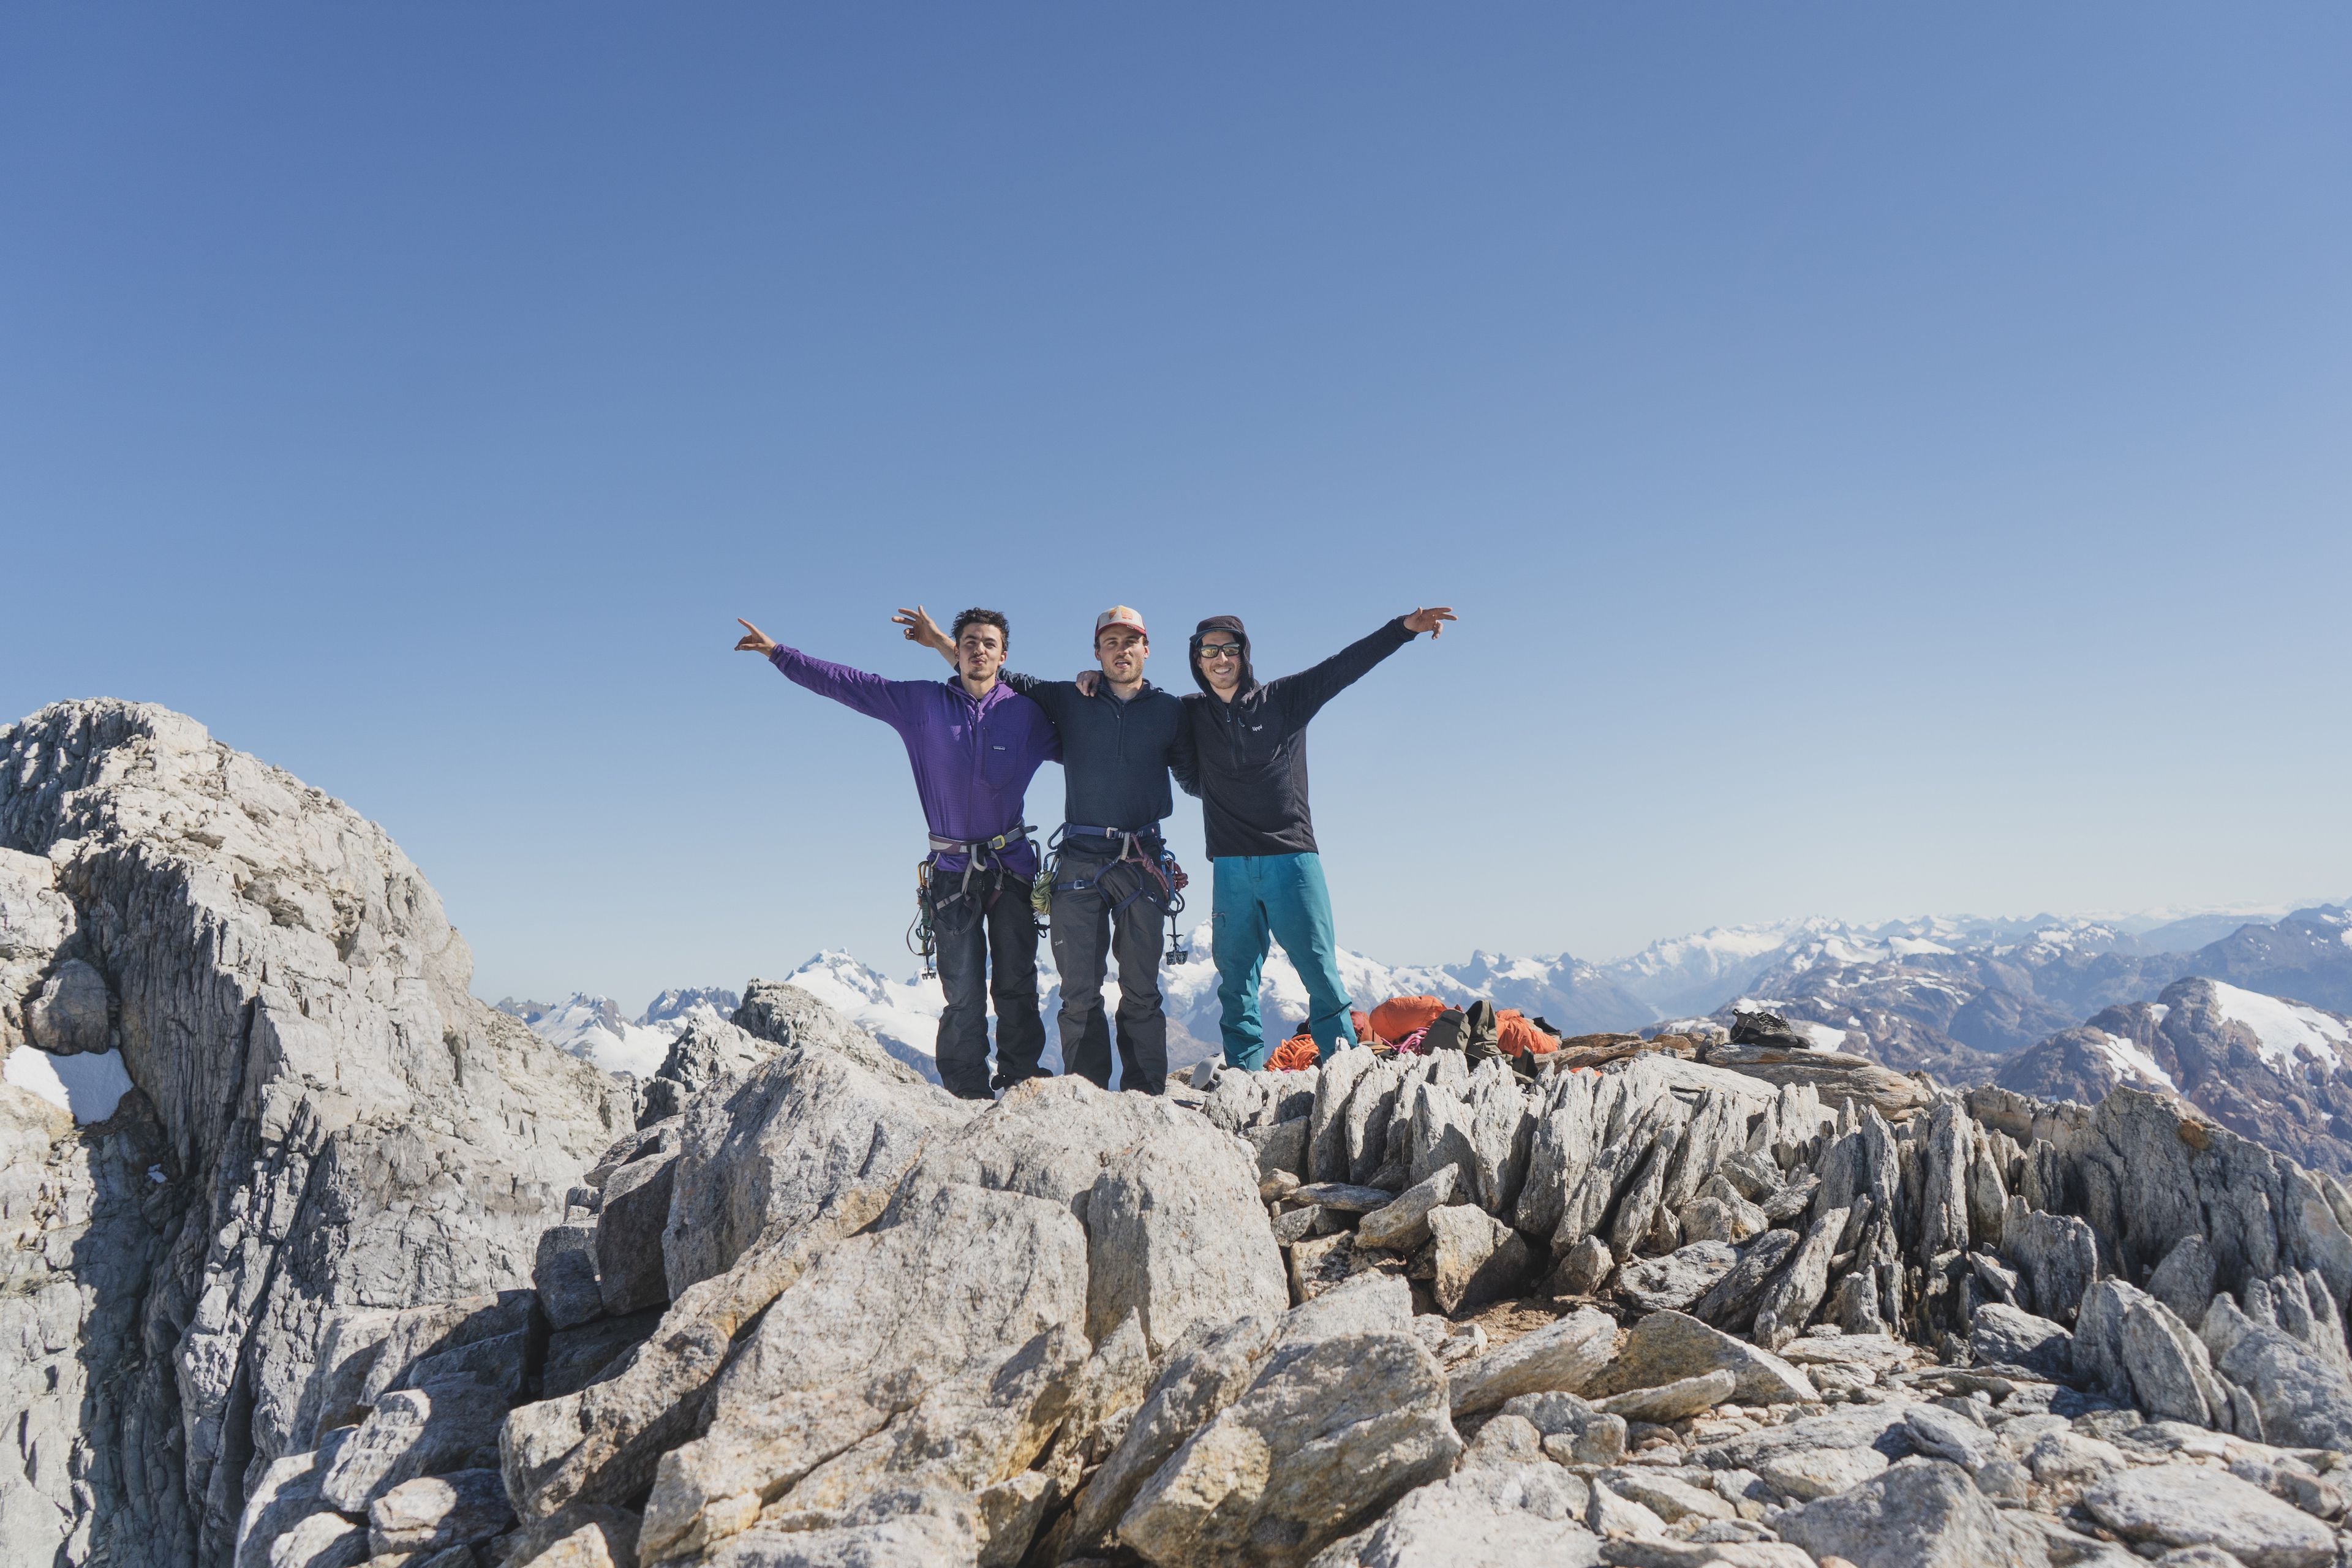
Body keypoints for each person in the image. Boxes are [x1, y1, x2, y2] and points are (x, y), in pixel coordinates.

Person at [733, 609, 1058, 1101]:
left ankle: (1022, 1084)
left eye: (989, 643)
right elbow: (850, 684)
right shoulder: (922, 704)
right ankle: (966, 1096)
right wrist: (780, 654)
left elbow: (1090, 740)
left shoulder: (1027, 715)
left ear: (1004, 656)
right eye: (970, 642)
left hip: (1010, 870)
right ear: (959, 649)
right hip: (952, 875)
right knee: (963, 995)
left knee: (1017, 987)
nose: (979, 650)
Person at [895, 603, 1194, 1095]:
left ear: (1147, 648)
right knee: (1078, 996)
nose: (1121, 650)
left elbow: (1194, 775)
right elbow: (989, 672)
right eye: (1111, 642)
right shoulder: (1068, 699)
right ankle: (1085, 1097)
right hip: (1080, 858)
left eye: (1130, 641)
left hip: (1142, 858)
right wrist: (937, 643)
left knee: (1141, 991)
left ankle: (1146, 1097)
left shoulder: (1171, 712)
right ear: (1096, 652)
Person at [1164, 608, 1457, 1069]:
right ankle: (1244, 1076)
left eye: (1230, 649)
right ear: (1197, 659)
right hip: (1230, 866)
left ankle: (1346, 1074)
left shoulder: (1284, 699)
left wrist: (1401, 630)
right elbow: (1139, 712)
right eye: (1209, 650)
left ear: (1244, 654)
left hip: (1292, 859)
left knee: (1320, 974)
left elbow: (1343, 667)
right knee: (1235, 978)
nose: (1220, 658)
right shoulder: (1188, 713)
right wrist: (1093, 681)